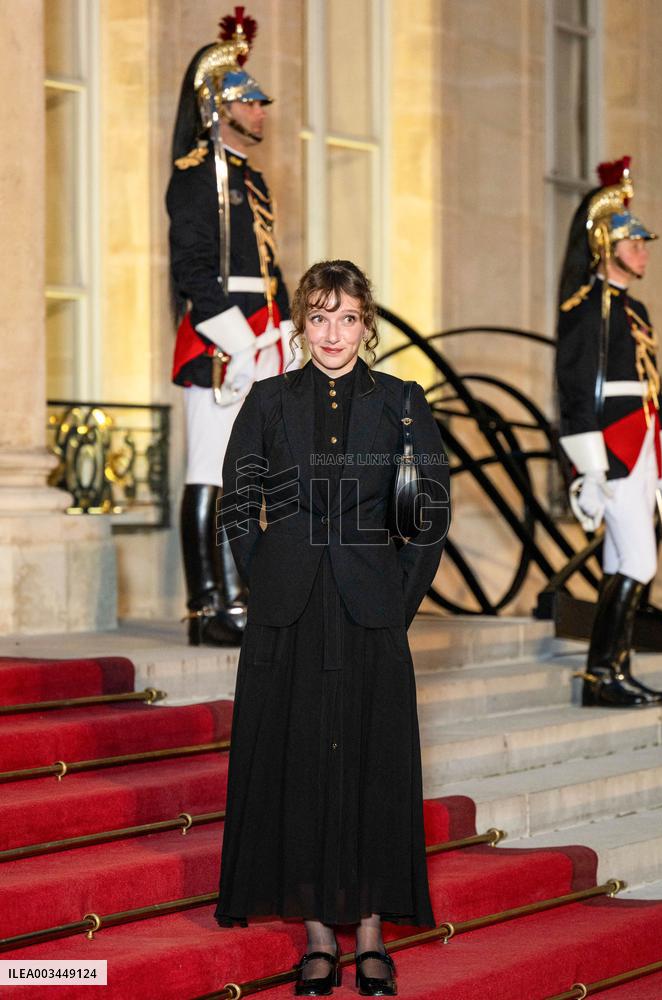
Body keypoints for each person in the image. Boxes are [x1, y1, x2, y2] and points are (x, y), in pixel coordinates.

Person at [214, 260, 450, 996]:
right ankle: (318, 934)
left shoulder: (403, 402)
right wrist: (272, 571)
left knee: (372, 766)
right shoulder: (268, 399)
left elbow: (429, 517)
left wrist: (397, 600)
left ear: (367, 325)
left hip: (370, 607)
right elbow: (236, 501)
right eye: (318, 317)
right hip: (290, 610)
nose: (333, 333)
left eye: (347, 318)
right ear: (300, 325)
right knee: (300, 765)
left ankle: (373, 930)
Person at [167, 7, 302, 647]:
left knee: (251, 477)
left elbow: (270, 271)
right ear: (220, 105)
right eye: (250, 101)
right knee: (209, 471)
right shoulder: (197, 175)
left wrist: (287, 338)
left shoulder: (254, 181)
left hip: (263, 338)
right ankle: (206, 606)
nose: (261, 111)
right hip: (222, 342)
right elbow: (195, 269)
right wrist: (240, 343)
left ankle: (245, 596)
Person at [556, 156, 662, 708]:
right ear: (608, 247)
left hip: (643, 443)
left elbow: (652, 386)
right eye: (635, 243)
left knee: (625, 561)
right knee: (641, 562)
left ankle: (610, 673)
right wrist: (588, 467)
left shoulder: (635, 308)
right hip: (615, 449)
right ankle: (602, 671)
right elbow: (577, 392)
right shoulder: (587, 310)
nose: (644, 251)